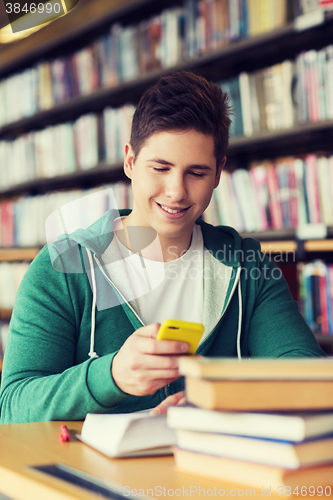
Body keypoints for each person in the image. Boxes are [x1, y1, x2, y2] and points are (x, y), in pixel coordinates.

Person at [0, 71, 325, 424]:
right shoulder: (60, 268)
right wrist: (110, 377)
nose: (176, 191)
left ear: (218, 174)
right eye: (161, 167)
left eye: (196, 173)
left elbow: (307, 377)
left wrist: (221, 399)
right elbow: (13, 406)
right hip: (86, 478)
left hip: (211, 474)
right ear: (130, 161)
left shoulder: (248, 267)